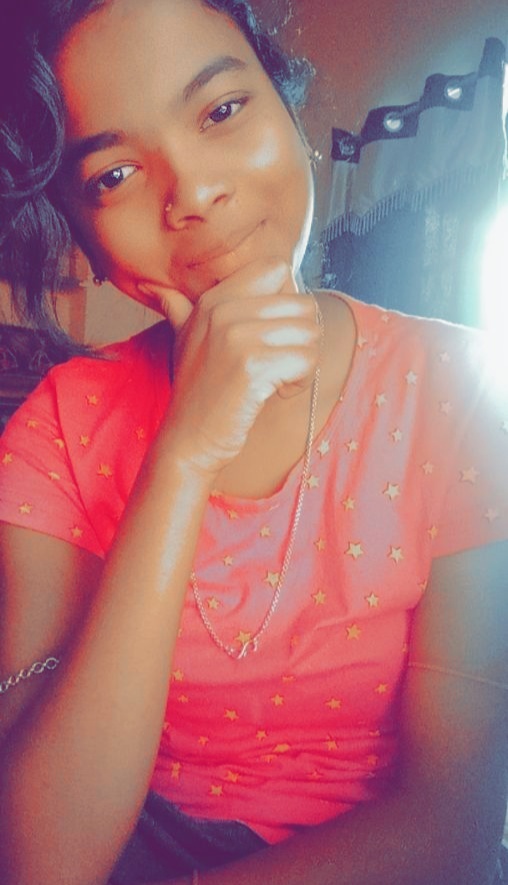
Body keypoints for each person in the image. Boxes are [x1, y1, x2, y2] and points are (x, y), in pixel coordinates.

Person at [0, 1, 507, 883]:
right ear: (83, 235)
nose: (194, 193)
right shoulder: (59, 427)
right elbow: (42, 856)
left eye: (223, 110)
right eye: (115, 173)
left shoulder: (463, 392)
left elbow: (455, 823)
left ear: (289, 109)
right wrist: (184, 454)